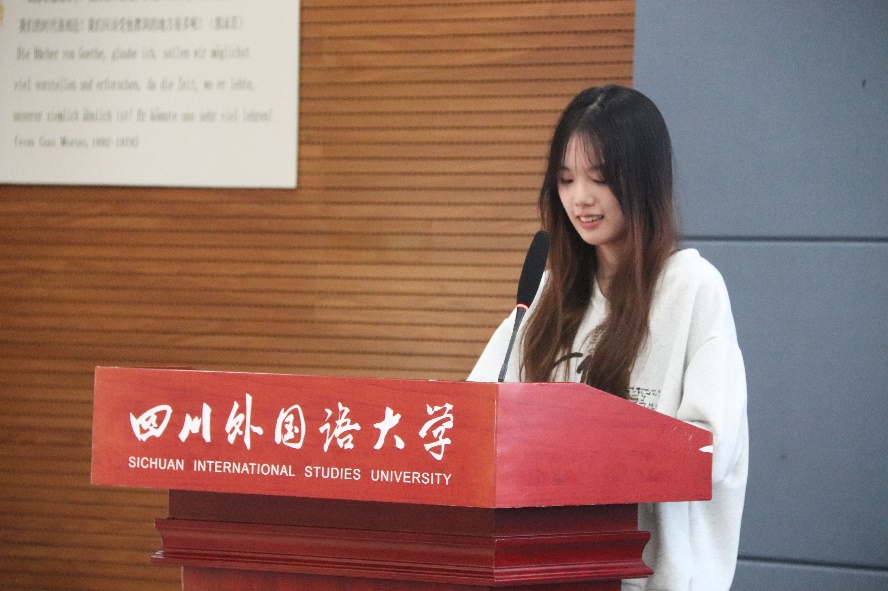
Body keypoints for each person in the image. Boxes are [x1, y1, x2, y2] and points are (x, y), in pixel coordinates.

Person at [468, 85, 748, 591]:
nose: (580, 198)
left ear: (644, 181)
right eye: (566, 179)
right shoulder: (547, 293)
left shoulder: (691, 288)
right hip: (546, 571)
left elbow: (710, 453)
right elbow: (473, 416)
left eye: (599, 178)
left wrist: (586, 447)